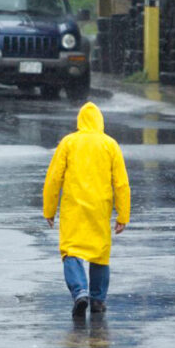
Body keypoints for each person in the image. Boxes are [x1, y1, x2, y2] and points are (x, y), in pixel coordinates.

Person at [43, 102, 131, 318]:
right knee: (99, 254)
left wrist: (49, 210)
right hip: (100, 209)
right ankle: (98, 300)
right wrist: (123, 215)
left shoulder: (68, 143)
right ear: (101, 121)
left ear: (79, 122)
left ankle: (80, 290)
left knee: (71, 251)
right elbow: (121, 183)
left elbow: (54, 178)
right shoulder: (110, 144)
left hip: (74, 209)